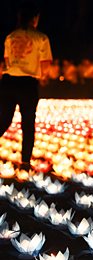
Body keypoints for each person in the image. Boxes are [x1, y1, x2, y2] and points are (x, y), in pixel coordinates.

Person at [0, 1, 52, 171]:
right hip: (27, 84)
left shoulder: (10, 37)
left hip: (7, 82)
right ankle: (25, 163)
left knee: (4, 120)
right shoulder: (41, 38)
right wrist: (38, 73)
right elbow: (45, 66)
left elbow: (6, 61)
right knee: (28, 123)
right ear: (35, 19)